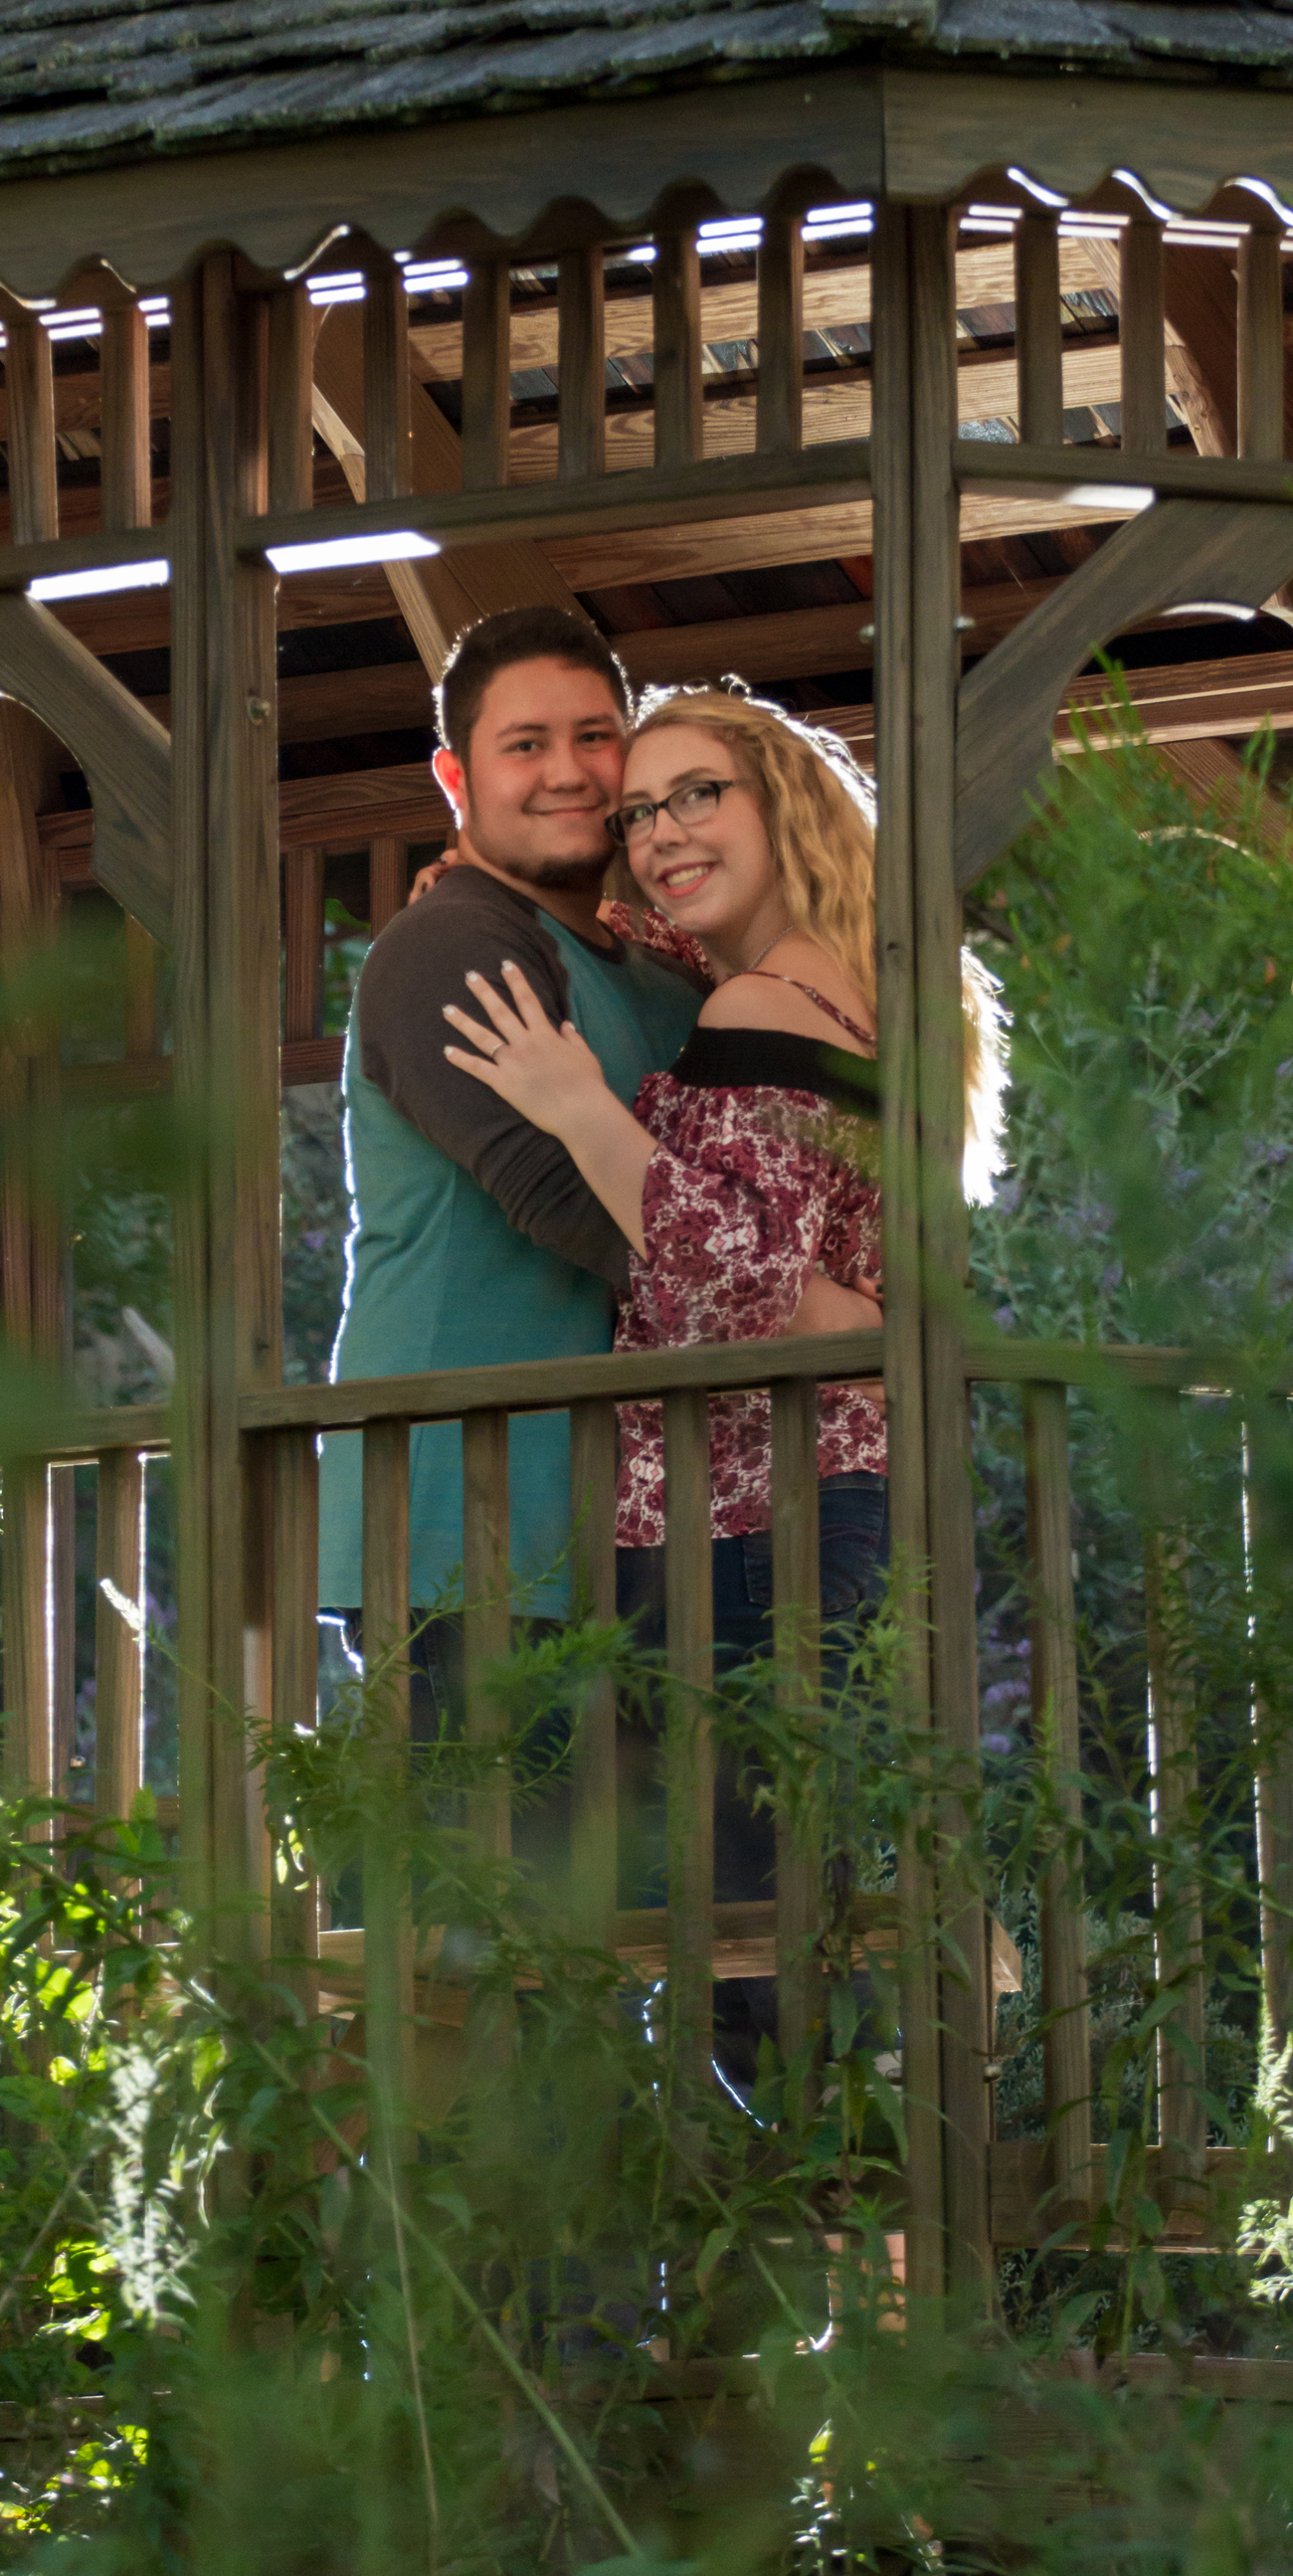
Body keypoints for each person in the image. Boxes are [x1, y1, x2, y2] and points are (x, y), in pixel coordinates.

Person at [439, 681, 998, 2098]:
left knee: (752, 1940)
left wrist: (576, 1105)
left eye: (701, 795)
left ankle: (852, 2245)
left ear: (784, 801)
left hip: (749, 1517)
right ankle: (862, 2268)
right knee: (802, 1905)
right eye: (640, 812)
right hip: (833, 1507)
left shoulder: (758, 1002)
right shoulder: (851, 980)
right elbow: (830, 1274)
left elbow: (726, 1283)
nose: (660, 831)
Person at [316, 617, 881, 1805]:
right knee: (471, 1941)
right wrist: (820, 1312)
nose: (568, 770)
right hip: (465, 1518)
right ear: (455, 778)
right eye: (525, 745)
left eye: (592, 738)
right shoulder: (448, 945)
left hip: (634, 1533)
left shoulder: (664, 969)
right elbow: (571, 1204)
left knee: (640, 1931)